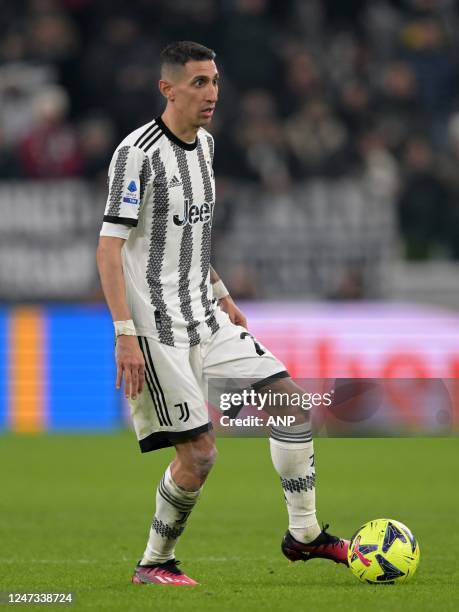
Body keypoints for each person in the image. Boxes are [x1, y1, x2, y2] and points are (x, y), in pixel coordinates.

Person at [96, 40, 349, 586]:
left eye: (215, 81)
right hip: (158, 330)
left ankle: (303, 535)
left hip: (206, 316)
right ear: (167, 88)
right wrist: (124, 335)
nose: (212, 93)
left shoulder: (206, 147)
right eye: (199, 83)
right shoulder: (136, 154)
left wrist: (222, 291)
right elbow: (109, 247)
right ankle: (154, 562)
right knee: (201, 455)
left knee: (291, 405)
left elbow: (193, 235)